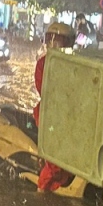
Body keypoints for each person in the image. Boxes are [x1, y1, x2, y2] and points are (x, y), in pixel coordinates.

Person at [34, 22, 76, 192]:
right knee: (55, 161)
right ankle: (42, 191)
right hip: (49, 114)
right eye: (50, 39)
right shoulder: (44, 62)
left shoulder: (77, 63)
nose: (53, 43)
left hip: (72, 112)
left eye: (58, 40)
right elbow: (44, 89)